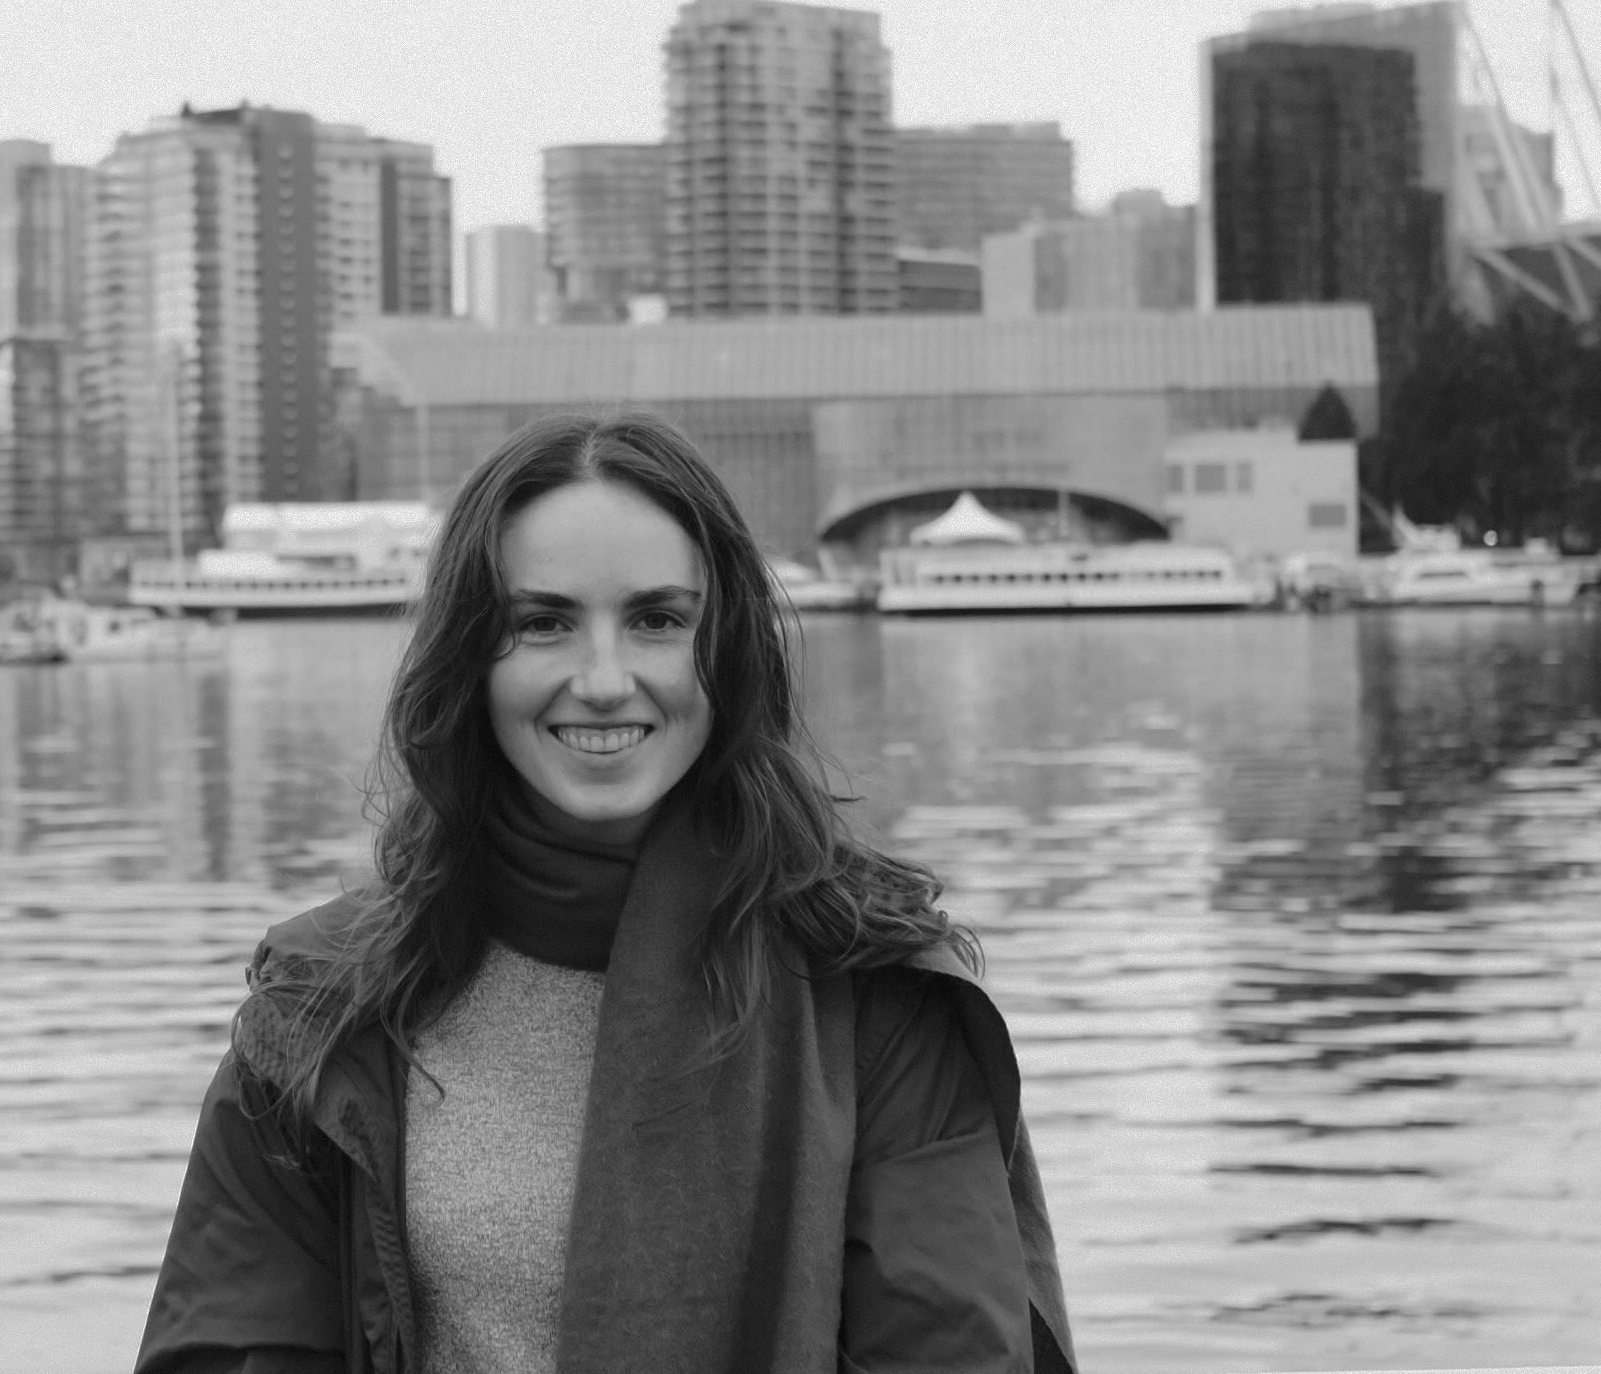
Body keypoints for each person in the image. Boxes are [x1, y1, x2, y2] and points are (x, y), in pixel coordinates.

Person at [136, 412, 1074, 1374]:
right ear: (469, 655)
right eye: (541, 622)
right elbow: (231, 1346)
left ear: (729, 650)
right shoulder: (322, 1008)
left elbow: (953, 1351)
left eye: (658, 620)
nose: (603, 678)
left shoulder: (877, 991)